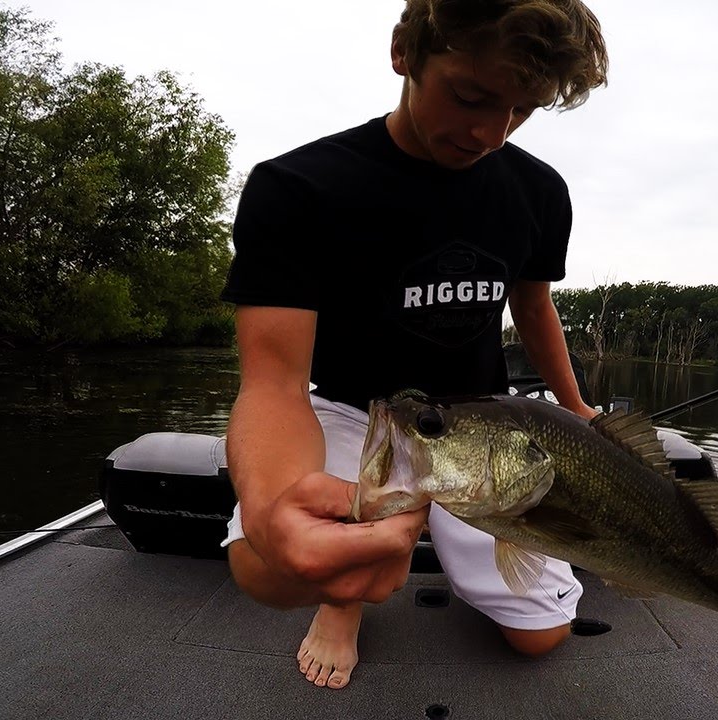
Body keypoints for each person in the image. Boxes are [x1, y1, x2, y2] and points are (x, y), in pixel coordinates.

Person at [220, 0, 608, 690]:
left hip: (487, 421)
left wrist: (576, 406)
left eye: (522, 111)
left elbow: (534, 302)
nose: (491, 132)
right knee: (266, 564)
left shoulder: (540, 191)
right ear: (405, 51)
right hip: (352, 409)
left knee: (539, 637)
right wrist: (271, 518)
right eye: (471, 96)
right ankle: (344, 605)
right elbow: (274, 383)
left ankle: (428, 524)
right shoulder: (297, 188)